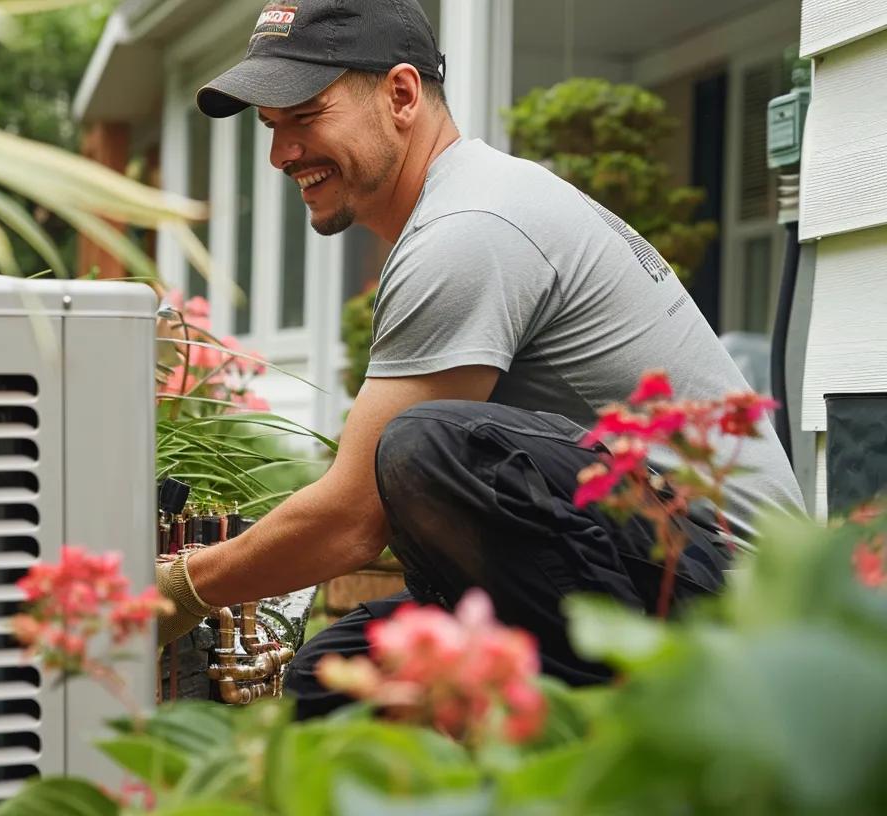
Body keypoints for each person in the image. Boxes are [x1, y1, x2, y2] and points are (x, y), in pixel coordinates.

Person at [153, 0, 805, 719]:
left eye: (305, 116)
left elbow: (354, 518)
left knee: (427, 447)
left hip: (737, 600)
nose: (282, 154)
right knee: (335, 683)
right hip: (649, 559)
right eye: (271, 127)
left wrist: (179, 589)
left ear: (402, 94)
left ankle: (600, 729)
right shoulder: (472, 202)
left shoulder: (469, 228)